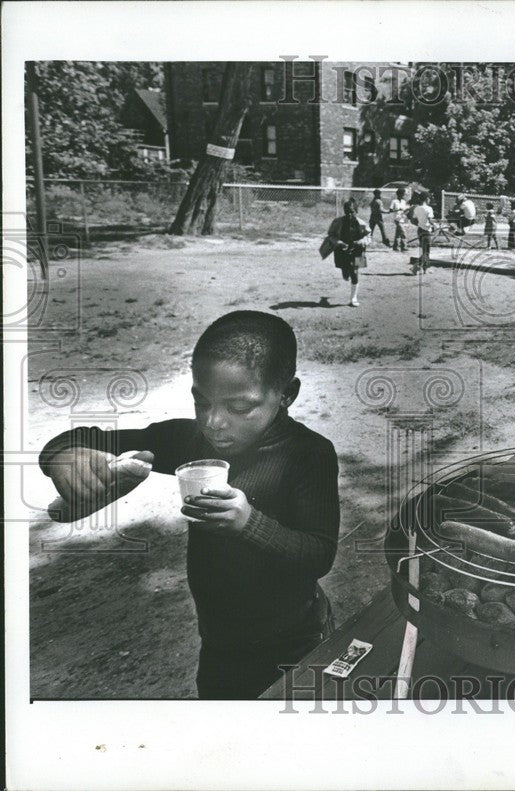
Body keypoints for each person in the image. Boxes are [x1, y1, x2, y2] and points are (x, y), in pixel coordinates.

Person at [38, 311, 341, 699]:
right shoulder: (190, 440)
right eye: (202, 401)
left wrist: (250, 523)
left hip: (296, 644)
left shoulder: (309, 454)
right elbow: (81, 438)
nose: (214, 422)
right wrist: (64, 456)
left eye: (239, 407)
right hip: (219, 646)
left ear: (286, 394)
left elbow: (320, 555)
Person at [325, 198, 370, 307]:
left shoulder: (362, 224)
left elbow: (368, 236)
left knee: (354, 272)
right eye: (347, 212)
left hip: (357, 250)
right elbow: (330, 235)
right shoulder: (337, 222)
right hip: (341, 249)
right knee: (345, 270)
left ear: (356, 211)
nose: (349, 214)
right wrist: (338, 242)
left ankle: (353, 298)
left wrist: (361, 242)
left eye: (352, 212)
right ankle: (345, 270)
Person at [411, 192, 434, 275]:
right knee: (426, 251)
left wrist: (420, 223)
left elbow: (413, 220)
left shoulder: (417, 208)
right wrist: (435, 225)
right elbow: (430, 220)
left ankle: (425, 269)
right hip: (427, 231)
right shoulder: (429, 209)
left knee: (424, 250)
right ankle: (416, 266)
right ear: (427, 199)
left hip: (420, 230)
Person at [389, 187, 409, 251]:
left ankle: (395, 246)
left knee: (398, 233)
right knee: (403, 232)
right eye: (403, 194)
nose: (404, 196)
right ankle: (404, 246)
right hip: (397, 219)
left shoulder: (404, 202)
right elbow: (391, 210)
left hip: (402, 218)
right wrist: (398, 209)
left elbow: (405, 210)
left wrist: (407, 210)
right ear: (399, 194)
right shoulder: (394, 201)